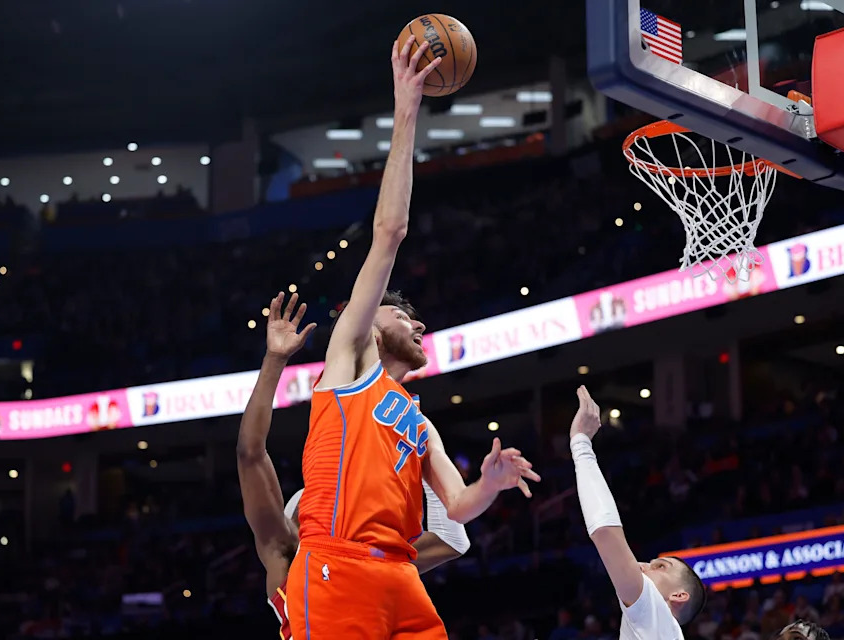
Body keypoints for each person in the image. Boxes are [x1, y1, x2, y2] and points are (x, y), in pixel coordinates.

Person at [285, 35, 541, 640]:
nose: (419, 324)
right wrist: (407, 108)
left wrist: (491, 484)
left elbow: (458, 507)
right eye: (402, 316)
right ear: (369, 323)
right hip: (337, 564)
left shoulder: (419, 423)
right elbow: (390, 231)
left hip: (401, 576)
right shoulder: (348, 362)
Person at [237, 292, 471, 640]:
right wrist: (274, 360)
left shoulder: (379, 548)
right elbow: (250, 453)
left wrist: (416, 445)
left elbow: (453, 539)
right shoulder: (282, 549)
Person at [569, 385, 706, 640]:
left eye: (660, 566)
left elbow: (605, 533)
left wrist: (581, 444)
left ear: (678, 596)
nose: (642, 566)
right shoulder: (658, 631)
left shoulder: (659, 618)